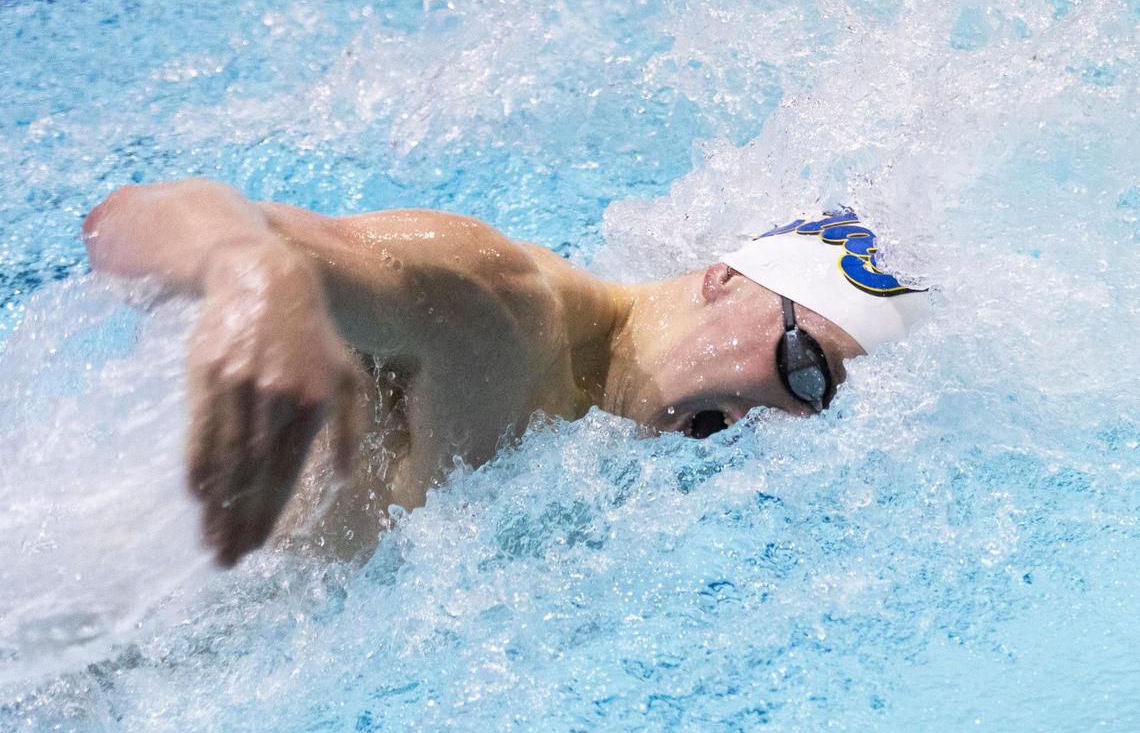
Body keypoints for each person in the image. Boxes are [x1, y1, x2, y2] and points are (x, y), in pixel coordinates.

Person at [81, 179, 925, 566]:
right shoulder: (497, 305)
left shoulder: (615, 458)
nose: (773, 416)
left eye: (816, 410)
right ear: (726, 278)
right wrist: (249, 271)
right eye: (806, 367)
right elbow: (124, 219)